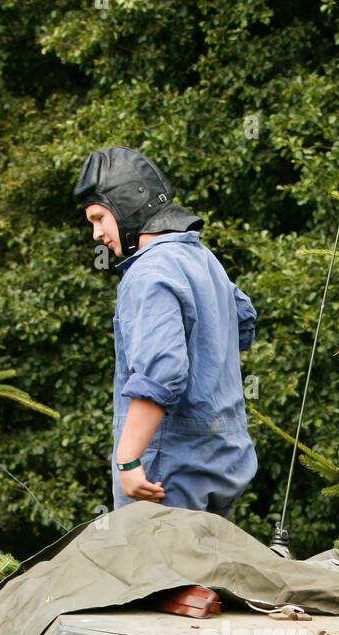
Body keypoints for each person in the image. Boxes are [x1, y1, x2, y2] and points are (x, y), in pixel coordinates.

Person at [73, 145, 258, 517]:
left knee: (158, 576)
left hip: (167, 469)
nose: (96, 234)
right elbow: (243, 322)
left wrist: (127, 459)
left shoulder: (148, 273)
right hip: (224, 459)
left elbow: (162, 372)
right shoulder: (202, 259)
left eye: (99, 218)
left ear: (124, 206)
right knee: (205, 571)